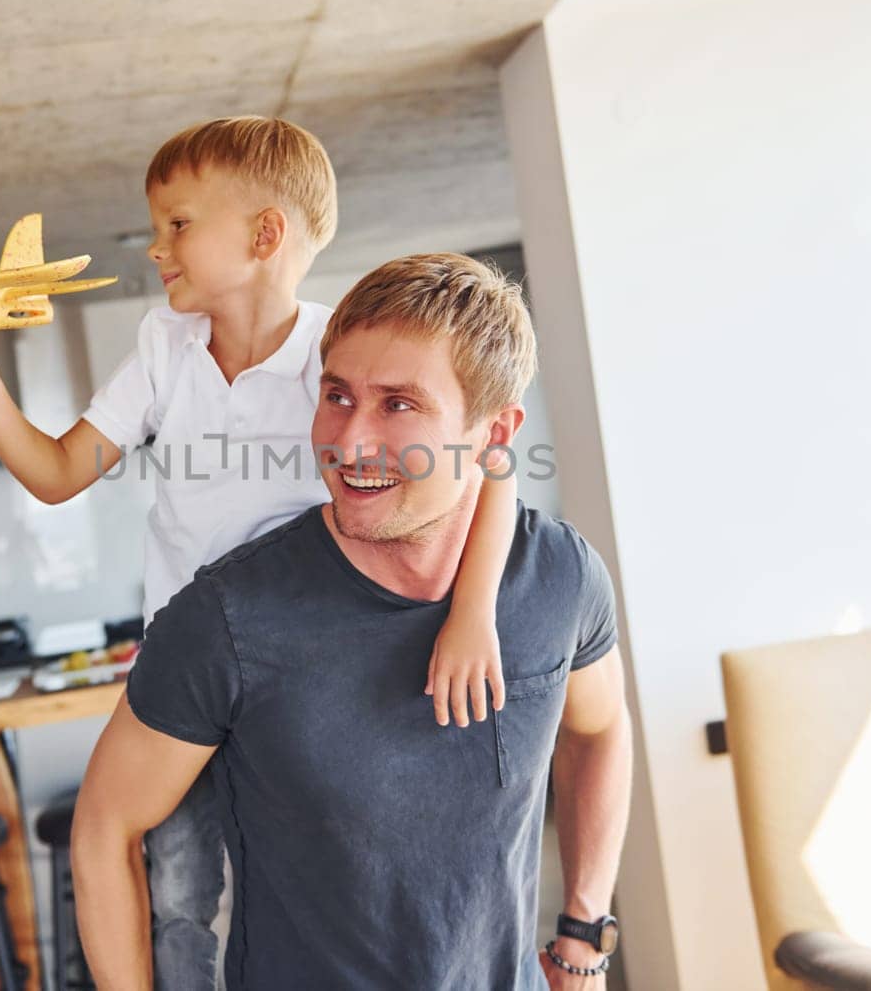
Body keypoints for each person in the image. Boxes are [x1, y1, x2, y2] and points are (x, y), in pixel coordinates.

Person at [0, 118, 520, 989]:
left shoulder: (336, 354)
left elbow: (493, 472)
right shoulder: (165, 347)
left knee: (310, 892)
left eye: (178, 224)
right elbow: (55, 473)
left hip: (304, 673)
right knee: (174, 897)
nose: (157, 248)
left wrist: (474, 610)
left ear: (265, 235)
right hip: (185, 680)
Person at [71, 253, 634, 990]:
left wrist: (583, 938)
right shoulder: (229, 619)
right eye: (336, 395)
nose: (349, 441)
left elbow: (601, 730)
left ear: (495, 435)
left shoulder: (559, 578)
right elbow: (104, 826)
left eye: (398, 405)